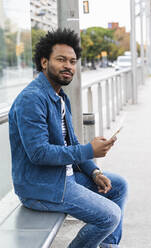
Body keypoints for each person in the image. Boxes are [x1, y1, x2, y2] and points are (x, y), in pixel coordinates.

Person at [8, 28, 128, 248]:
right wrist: (89, 150)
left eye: (72, 61)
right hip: (40, 187)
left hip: (63, 177)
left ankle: (108, 246)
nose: (68, 66)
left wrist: (94, 170)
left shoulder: (59, 97)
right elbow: (38, 153)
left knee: (118, 186)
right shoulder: (31, 100)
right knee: (110, 216)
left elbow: (70, 143)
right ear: (44, 62)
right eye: (61, 59)